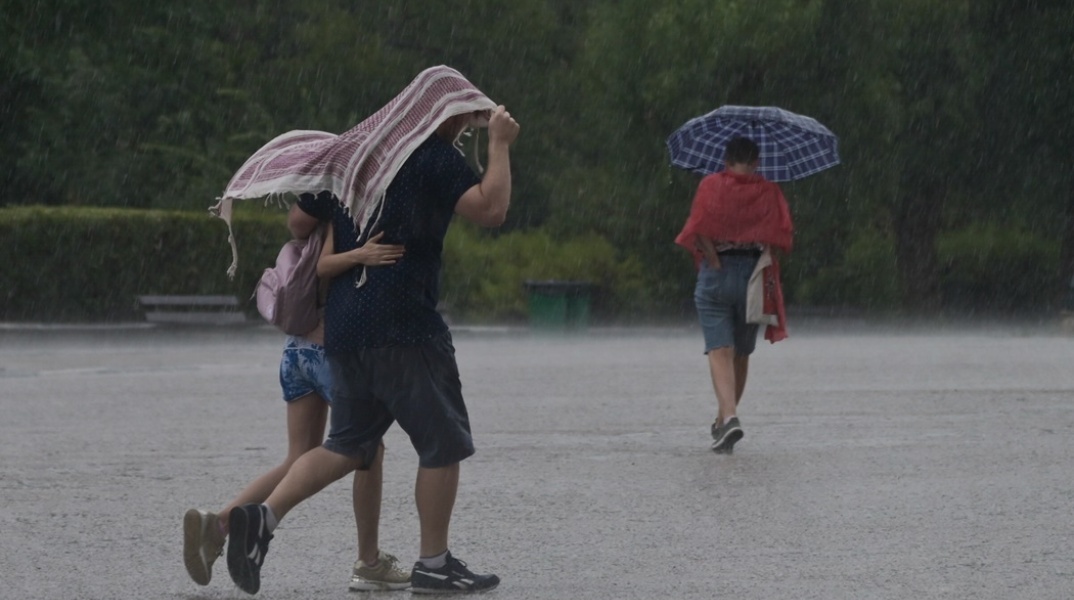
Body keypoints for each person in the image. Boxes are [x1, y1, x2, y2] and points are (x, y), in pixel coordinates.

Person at [224, 67, 519, 595]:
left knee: (348, 445)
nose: (464, 130)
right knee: (443, 443)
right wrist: (499, 145)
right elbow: (492, 209)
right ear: (439, 114)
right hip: (405, 324)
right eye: (463, 120)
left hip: (343, 326)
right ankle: (434, 564)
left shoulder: (353, 154)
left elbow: (298, 223)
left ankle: (261, 521)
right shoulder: (432, 156)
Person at [182, 227, 411, 592]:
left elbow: (298, 229)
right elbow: (327, 267)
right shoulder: (345, 207)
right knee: (368, 446)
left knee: (298, 458)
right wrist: (361, 255)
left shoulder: (311, 209)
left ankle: (220, 524)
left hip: (295, 351)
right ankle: (369, 562)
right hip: (327, 353)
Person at [674, 136, 793, 454]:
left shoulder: (711, 186)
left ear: (725, 160)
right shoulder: (768, 190)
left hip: (717, 274)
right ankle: (725, 420)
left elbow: (697, 227)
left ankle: (728, 417)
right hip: (754, 277)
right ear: (756, 161)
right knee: (741, 352)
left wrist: (713, 259)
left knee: (719, 350)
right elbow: (781, 237)